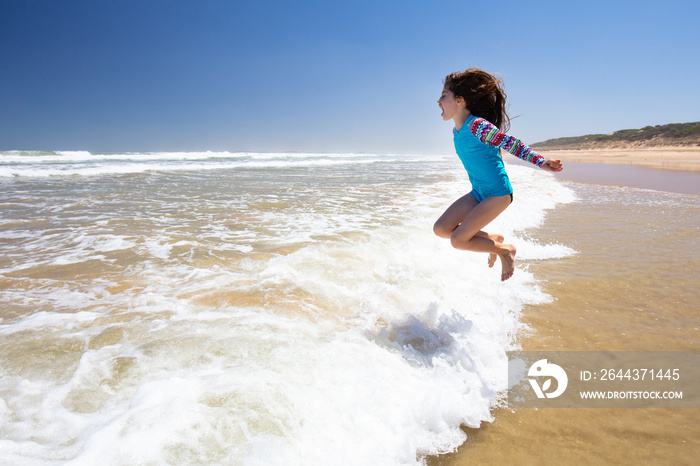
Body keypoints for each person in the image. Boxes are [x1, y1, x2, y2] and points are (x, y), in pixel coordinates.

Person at [433, 68, 563, 281]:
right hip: (478, 192)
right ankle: (494, 240)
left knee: (457, 240)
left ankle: (505, 249)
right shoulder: (456, 130)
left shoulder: (478, 126)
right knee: (441, 228)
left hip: (497, 194)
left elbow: (512, 144)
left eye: (443, 95)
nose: (438, 101)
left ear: (459, 100)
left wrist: (542, 162)